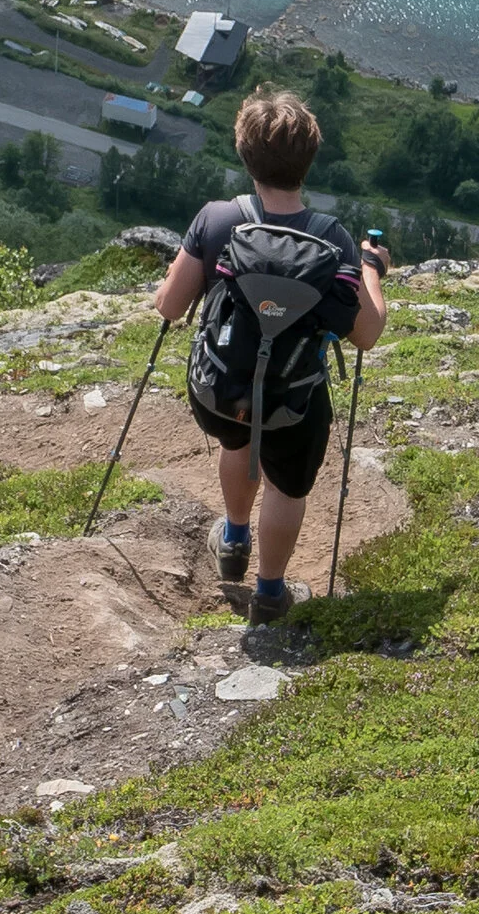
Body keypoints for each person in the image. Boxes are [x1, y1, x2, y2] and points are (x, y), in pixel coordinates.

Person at [152, 89, 389, 624]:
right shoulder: (334, 241)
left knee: (238, 434)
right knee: (286, 482)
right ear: (308, 159)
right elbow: (367, 334)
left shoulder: (215, 220)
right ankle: (270, 594)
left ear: (244, 152)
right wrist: (372, 268)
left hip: (219, 393)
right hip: (294, 402)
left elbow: (169, 307)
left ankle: (234, 540)